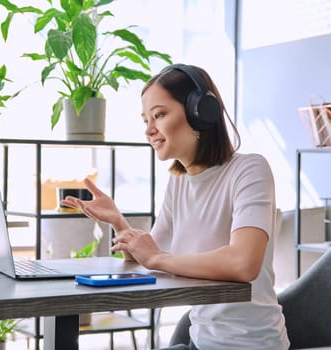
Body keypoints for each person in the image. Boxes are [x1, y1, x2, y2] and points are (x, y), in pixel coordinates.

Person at [60, 64, 290, 350]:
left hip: (250, 345)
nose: (149, 129)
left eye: (159, 115)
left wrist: (156, 257)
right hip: (201, 343)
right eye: (145, 119)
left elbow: (243, 263)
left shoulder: (249, 169)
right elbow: (150, 256)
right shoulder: (179, 182)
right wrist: (119, 222)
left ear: (201, 112)